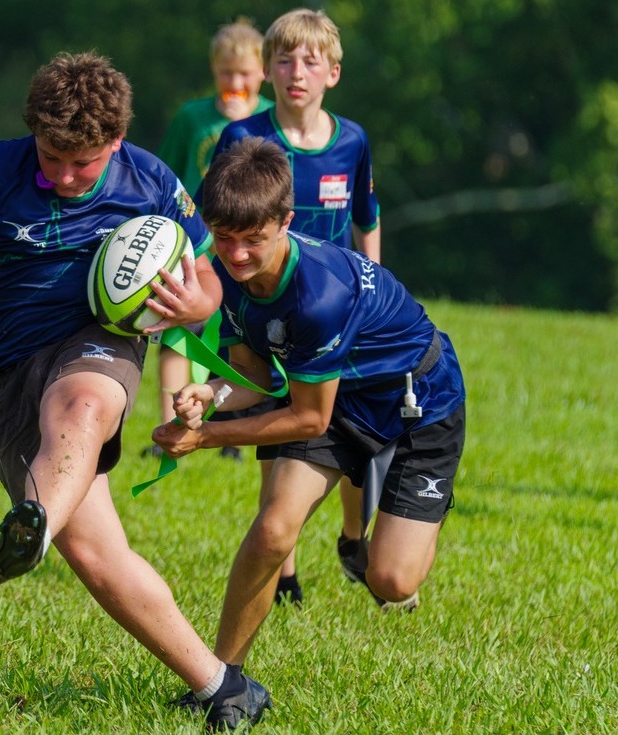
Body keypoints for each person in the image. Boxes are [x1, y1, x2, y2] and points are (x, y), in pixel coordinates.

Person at [0, 51, 270, 729]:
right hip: (4, 375)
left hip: (101, 342)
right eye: (53, 158)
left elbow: (209, 270)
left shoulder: (150, 179)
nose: (66, 176)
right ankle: (223, 686)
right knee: (98, 555)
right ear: (32, 134)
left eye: (85, 163)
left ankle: (31, 527)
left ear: (117, 143)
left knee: (84, 402)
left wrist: (195, 304)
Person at [154, 136, 464, 679]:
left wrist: (207, 437)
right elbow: (252, 372)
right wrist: (212, 395)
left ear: (287, 219)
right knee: (274, 529)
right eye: (224, 239)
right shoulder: (227, 274)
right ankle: (223, 680)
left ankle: (404, 521)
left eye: (255, 239)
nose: (238, 254)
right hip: (332, 393)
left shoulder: (320, 295)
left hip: (418, 402)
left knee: (391, 580)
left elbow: (307, 418)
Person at [207, 7, 382, 602]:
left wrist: (373, 282)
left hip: (335, 312)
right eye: (283, 59)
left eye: (310, 61)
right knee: (274, 434)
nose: (296, 71)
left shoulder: (352, 139)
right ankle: (283, 573)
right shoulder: (243, 137)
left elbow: (365, 217)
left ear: (333, 72)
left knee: (352, 429)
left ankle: (353, 537)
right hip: (261, 306)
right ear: (266, 70)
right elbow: (219, 224)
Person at [148, 18, 274, 466]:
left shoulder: (268, 123)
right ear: (213, 71)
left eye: (244, 73)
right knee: (179, 333)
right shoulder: (192, 117)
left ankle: (224, 432)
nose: (234, 82)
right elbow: (165, 173)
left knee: (234, 341)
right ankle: (169, 426)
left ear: (263, 73)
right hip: (194, 243)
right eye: (226, 72)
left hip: (244, 249)